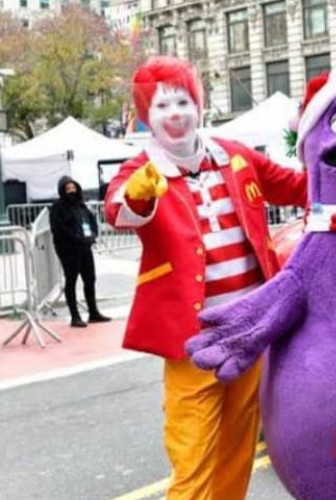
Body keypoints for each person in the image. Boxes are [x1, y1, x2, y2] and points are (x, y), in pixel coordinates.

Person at [104, 56, 307, 500]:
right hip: (193, 339)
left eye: (182, 100)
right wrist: (138, 195)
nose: (174, 113)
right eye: (161, 106)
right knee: (192, 454)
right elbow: (117, 208)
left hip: (250, 329)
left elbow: (296, 186)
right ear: (146, 118)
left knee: (238, 448)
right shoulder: (143, 169)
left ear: (198, 105)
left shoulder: (234, 156)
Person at [49, 176, 111, 327]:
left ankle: (93, 311)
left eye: (73, 188)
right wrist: (75, 238)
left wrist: (92, 235)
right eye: (68, 189)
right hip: (68, 249)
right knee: (71, 281)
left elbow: (91, 222)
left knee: (90, 279)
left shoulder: (81, 206)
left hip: (85, 247)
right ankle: (75, 316)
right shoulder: (57, 208)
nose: (71, 191)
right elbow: (58, 229)